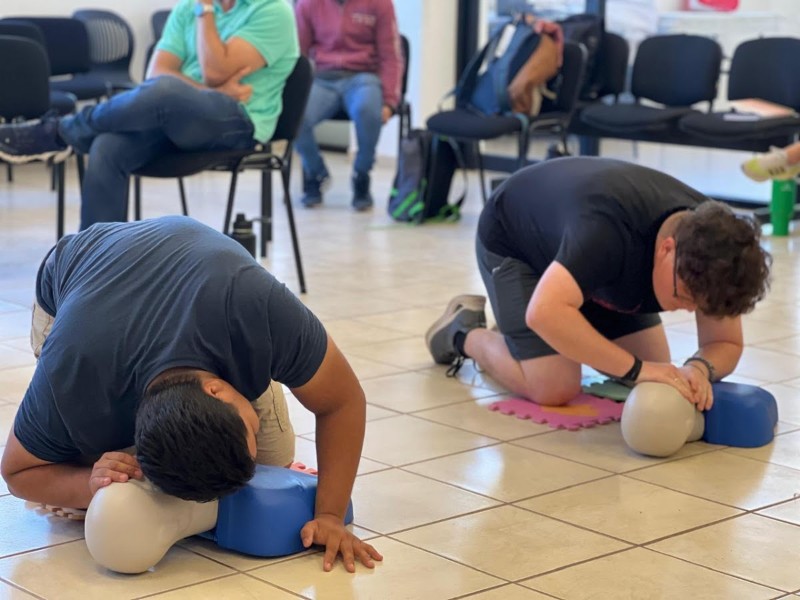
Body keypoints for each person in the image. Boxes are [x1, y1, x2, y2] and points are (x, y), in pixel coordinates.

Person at [0, 216, 382, 573]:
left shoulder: (257, 309)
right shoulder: (75, 376)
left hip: (208, 283)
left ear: (220, 389)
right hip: (74, 282)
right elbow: (17, 473)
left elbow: (343, 400)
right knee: (98, 488)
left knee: (275, 459)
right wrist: (89, 483)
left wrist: (330, 515)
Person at [425, 157, 772, 411]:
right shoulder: (605, 231)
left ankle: (536, 322)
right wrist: (637, 370)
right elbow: (544, 313)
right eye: (684, 297)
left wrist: (698, 368)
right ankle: (463, 333)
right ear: (668, 249)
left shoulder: (716, 247)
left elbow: (724, 340)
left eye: (700, 306)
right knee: (554, 385)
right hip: (516, 239)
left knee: (656, 362)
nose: (689, 309)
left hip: (586, 262)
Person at [0, 0, 298, 231]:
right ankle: (97, 268)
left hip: (238, 122)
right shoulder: (187, 8)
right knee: (107, 146)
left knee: (168, 92)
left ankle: (58, 133)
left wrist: (206, 9)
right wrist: (207, 90)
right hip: (173, 118)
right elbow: (155, 74)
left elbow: (214, 70)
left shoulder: (273, 11)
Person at [293, 0, 403, 211]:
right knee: (296, 116)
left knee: (367, 109)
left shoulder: (380, 4)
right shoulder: (308, 5)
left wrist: (390, 100)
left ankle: (361, 174)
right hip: (323, 78)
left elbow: (391, 56)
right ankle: (315, 171)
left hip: (363, 77)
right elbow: (298, 55)